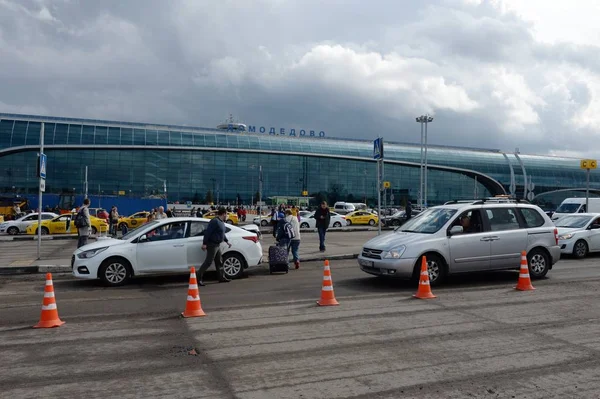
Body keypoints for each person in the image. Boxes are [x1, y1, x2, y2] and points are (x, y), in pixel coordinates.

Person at [197, 207, 232, 286]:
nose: (227, 216)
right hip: (212, 244)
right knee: (208, 262)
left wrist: (227, 241)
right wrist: (204, 243)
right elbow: (208, 232)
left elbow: (222, 234)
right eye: (226, 214)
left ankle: (221, 277)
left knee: (219, 261)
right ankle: (198, 278)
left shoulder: (221, 222)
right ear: (223, 214)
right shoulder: (215, 221)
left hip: (217, 244)